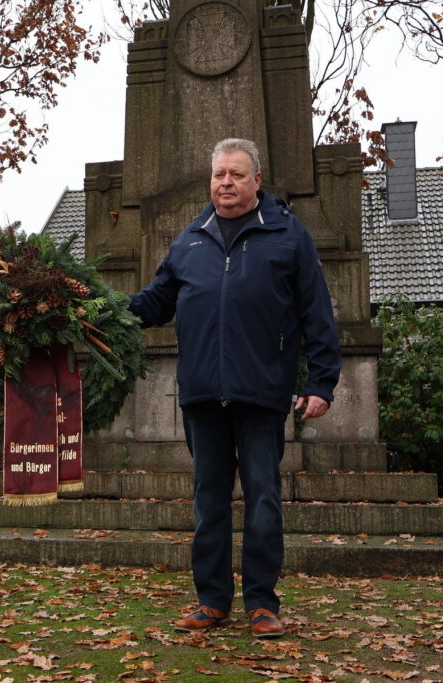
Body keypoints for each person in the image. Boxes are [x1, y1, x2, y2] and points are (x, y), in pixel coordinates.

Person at [129, 138, 341, 639]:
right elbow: (157, 301)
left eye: (236, 174)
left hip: (263, 392)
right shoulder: (190, 240)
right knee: (209, 500)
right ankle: (212, 601)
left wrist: (321, 382)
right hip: (202, 393)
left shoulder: (289, 235)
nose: (226, 182)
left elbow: (317, 313)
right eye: (219, 174)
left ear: (256, 181)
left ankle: (263, 604)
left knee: (264, 498)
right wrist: (102, 310)